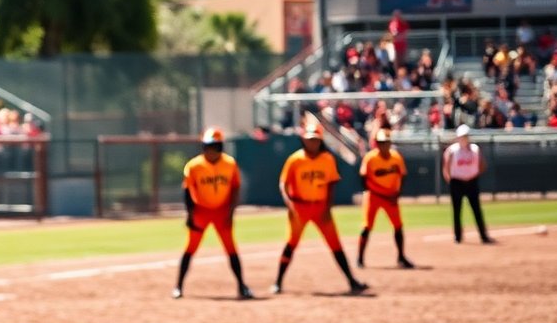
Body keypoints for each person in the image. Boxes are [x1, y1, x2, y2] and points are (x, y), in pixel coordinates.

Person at [273, 121, 368, 295]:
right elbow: (283, 183)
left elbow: (331, 184)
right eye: (309, 139)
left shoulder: (327, 159)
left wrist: (328, 207)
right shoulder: (295, 159)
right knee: (291, 244)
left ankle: (352, 281)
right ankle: (278, 282)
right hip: (299, 208)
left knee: (335, 245)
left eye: (316, 140)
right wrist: (289, 204)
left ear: (320, 140)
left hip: (321, 208)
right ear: (304, 140)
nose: (313, 143)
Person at [172, 127, 253, 300]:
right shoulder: (194, 166)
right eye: (208, 146)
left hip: (222, 212)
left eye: (215, 146)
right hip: (201, 211)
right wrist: (190, 215)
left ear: (221, 147)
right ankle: (178, 286)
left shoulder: (229, 164)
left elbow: (235, 187)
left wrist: (231, 212)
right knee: (190, 248)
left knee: (231, 249)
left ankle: (242, 286)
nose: (211, 150)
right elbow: (187, 191)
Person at [356, 129, 414, 269]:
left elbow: (403, 175)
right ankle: (360, 259)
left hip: (390, 197)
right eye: (381, 143)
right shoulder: (370, 158)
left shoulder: (396, 157)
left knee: (398, 226)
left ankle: (401, 257)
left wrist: (397, 192)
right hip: (374, 197)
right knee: (367, 227)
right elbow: (363, 178)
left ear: (390, 143)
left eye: (386, 142)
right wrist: (376, 191)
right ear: (377, 144)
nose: (383, 145)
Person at [442, 123, 493, 244]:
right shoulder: (452, 150)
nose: (464, 139)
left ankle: (483, 235)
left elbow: (482, 164)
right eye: (462, 136)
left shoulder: (475, 149)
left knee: (476, 209)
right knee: (457, 210)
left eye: (466, 136)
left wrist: (474, 174)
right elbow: (446, 166)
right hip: (457, 182)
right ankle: (458, 236)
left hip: (472, 181)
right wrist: (450, 179)